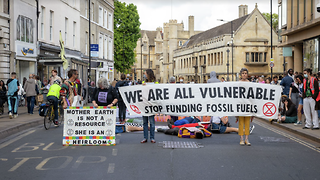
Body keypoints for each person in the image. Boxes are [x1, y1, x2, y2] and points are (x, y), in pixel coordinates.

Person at [236, 68, 254, 146]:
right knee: (241, 123)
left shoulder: (250, 83)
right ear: (241, 74)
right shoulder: (238, 83)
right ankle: (241, 139)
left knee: (247, 123)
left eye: (245, 73)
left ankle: (247, 139)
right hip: (240, 105)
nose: (244, 74)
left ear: (247, 74)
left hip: (248, 105)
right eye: (243, 73)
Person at [141, 69, 156, 143]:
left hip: (151, 105)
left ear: (148, 74)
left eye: (145, 74)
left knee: (152, 122)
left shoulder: (155, 83)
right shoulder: (144, 82)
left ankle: (152, 137)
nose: (144, 75)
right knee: (145, 122)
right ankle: (145, 137)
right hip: (144, 105)